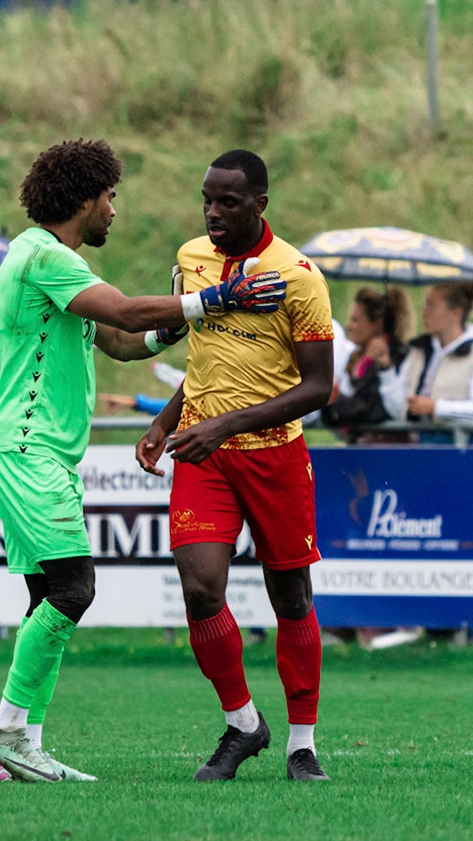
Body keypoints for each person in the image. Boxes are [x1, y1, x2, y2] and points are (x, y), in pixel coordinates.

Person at [0, 138, 287, 782]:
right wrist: (214, 300)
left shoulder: (56, 265)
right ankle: (7, 731)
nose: (115, 210)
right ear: (84, 198)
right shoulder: (44, 256)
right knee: (73, 589)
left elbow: (120, 338)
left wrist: (176, 324)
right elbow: (120, 308)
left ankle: (22, 746)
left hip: (38, 453)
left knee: (46, 598)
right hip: (27, 448)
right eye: (110, 196)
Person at [137, 148, 337, 783]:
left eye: (228, 201)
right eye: (207, 199)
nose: (213, 211)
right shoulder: (192, 260)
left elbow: (319, 386)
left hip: (274, 454)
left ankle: (301, 744)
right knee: (199, 589)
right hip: (206, 455)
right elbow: (203, 358)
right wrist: (167, 421)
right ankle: (244, 724)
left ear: (260, 204)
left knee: (290, 596)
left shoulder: (299, 276)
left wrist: (221, 423)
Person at [384, 280, 473, 444]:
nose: (424, 312)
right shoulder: (419, 352)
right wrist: (385, 369)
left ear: (455, 313)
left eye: (431, 306)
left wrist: (436, 408)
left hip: (466, 454)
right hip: (423, 452)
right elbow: (399, 409)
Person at [323, 286, 411, 443]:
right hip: (357, 447)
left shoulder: (398, 356)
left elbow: (375, 410)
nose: (349, 326)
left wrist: (385, 369)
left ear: (377, 324)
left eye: (356, 320)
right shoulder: (354, 358)